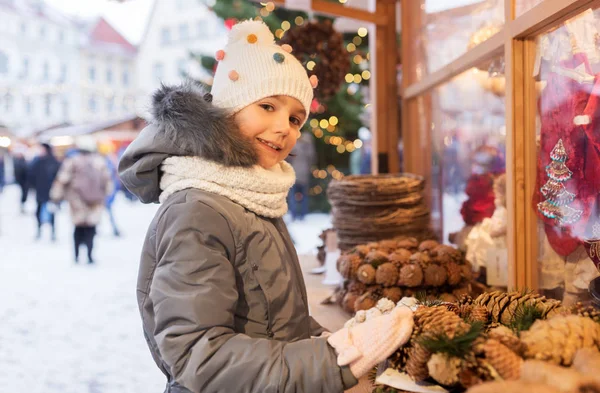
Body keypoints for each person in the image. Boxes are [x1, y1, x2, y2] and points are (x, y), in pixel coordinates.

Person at [119, 20, 413, 393]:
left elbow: (276, 322)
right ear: (226, 110)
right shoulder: (198, 209)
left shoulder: (253, 198)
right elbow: (199, 356)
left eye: (295, 118)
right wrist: (339, 356)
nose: (283, 128)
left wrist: (338, 338)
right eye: (267, 106)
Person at [50, 139, 113, 263]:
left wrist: (55, 196)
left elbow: (62, 179)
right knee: (91, 227)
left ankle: (77, 255)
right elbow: (108, 182)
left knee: (78, 227)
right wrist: (105, 195)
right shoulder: (100, 161)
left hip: (76, 200)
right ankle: (90, 255)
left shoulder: (72, 161)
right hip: (95, 201)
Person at [28, 143, 60, 241]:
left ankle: (53, 232)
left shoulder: (54, 162)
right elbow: (31, 174)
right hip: (40, 191)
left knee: (52, 212)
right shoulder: (37, 161)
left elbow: (59, 176)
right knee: (38, 211)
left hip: (51, 192)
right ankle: (39, 230)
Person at [287, 131, 315, 221]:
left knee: (292, 196)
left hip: (294, 174)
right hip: (304, 175)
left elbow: (288, 158)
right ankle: (302, 215)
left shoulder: (295, 146)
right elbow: (313, 160)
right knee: (304, 196)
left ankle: (294, 214)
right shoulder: (309, 149)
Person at [13, 149, 29, 213]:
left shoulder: (22, 161)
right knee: (23, 194)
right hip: (22, 181)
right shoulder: (18, 162)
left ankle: (23, 205)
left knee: (24, 194)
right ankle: (22, 206)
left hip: (24, 181)